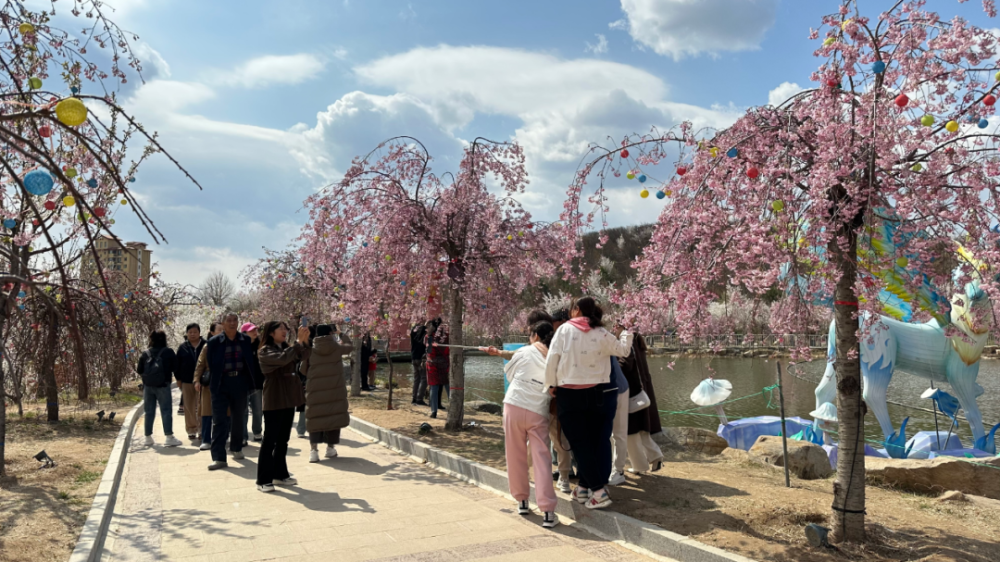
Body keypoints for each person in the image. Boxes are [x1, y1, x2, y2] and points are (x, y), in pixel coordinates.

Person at [545, 297, 633, 510]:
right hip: (598, 394)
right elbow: (623, 351)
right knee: (591, 442)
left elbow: (552, 359)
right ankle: (584, 488)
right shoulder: (601, 332)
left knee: (579, 443)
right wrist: (627, 332)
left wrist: (550, 384)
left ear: (575, 310)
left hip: (570, 393)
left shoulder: (565, 330)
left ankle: (599, 491)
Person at [502, 321, 559, 529]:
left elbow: (510, 375)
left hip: (514, 405)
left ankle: (522, 500)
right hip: (537, 410)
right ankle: (548, 512)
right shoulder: (554, 358)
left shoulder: (523, 352)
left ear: (535, 336)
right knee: (542, 459)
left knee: (515, 455)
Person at [256, 320, 309, 492]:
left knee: (283, 440)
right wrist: (298, 344)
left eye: (286, 328)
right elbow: (282, 359)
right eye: (280, 328)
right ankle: (263, 479)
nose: (284, 331)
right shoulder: (265, 351)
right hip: (274, 398)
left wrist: (305, 340)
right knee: (269, 440)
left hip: (289, 398)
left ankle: (280, 474)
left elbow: (305, 355)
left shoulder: (287, 348)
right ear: (271, 332)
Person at [205, 312, 258, 470]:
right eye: (229, 320)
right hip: (221, 383)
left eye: (235, 320)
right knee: (220, 420)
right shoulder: (214, 342)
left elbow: (249, 361)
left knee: (238, 418)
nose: (232, 323)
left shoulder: (245, 340)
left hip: (240, 382)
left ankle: (236, 447)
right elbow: (211, 362)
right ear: (223, 323)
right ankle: (219, 458)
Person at [304, 324, 354, 462]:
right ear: (331, 333)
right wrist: (341, 333)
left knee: (315, 417)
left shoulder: (310, 350)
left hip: (315, 389)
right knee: (333, 416)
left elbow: (302, 369)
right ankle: (330, 448)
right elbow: (350, 346)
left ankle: (313, 451)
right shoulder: (336, 348)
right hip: (334, 388)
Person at [620, 333, 664, 473]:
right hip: (642, 393)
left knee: (631, 433)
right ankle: (656, 457)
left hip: (631, 394)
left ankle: (640, 466)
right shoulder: (638, 344)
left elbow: (624, 367)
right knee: (642, 431)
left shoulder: (627, 345)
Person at [136, 330, 182, 448]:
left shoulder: (145, 353)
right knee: (166, 410)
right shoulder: (168, 352)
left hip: (148, 386)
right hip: (163, 385)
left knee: (149, 411)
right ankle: (169, 437)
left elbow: (139, 370)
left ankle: (148, 437)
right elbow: (176, 367)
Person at [194, 322, 223, 451]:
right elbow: (200, 365)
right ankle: (206, 439)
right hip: (210, 382)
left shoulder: (230, 344)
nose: (222, 332)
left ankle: (223, 437)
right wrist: (196, 380)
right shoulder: (207, 346)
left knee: (225, 411)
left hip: (226, 381)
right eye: (219, 330)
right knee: (207, 411)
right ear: (212, 332)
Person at [175, 323, 206, 443]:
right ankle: (191, 430)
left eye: (195, 332)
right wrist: (178, 379)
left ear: (199, 333)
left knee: (203, 407)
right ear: (187, 333)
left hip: (203, 381)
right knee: (189, 407)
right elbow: (177, 365)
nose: (192, 334)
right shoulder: (182, 347)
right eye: (190, 332)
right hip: (187, 381)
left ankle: (202, 430)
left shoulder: (205, 345)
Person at [608, 356, 630, 486]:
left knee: (619, 433)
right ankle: (612, 467)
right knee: (610, 434)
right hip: (606, 390)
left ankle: (619, 471)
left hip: (618, 389)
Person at [241, 322, 264, 444]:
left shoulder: (260, 346)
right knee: (243, 411)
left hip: (257, 383)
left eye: (255, 330)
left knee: (257, 410)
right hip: (242, 384)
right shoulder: (239, 346)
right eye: (251, 331)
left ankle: (257, 432)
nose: (255, 332)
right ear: (244, 333)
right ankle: (243, 436)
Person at [426, 318, 450, 419]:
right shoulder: (446, 337)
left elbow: (429, 351)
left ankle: (434, 411)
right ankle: (453, 409)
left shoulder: (429, 337)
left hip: (432, 365)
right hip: (444, 364)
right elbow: (448, 349)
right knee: (448, 387)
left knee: (434, 388)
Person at [410, 321, 429, 406]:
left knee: (416, 378)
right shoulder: (423, 332)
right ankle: (419, 398)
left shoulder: (413, 331)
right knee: (424, 379)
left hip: (414, 357)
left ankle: (414, 397)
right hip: (421, 358)